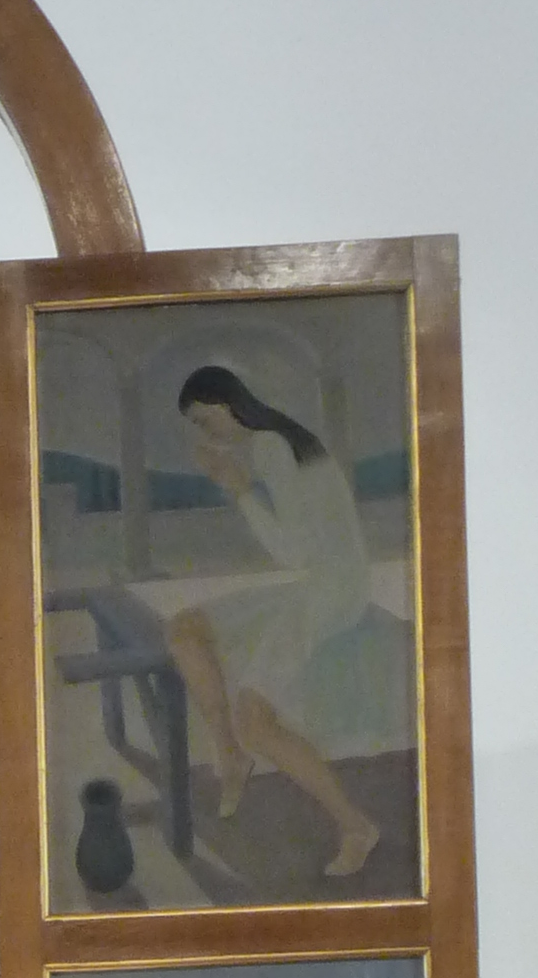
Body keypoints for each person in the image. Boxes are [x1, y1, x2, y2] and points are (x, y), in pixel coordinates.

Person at [161, 366, 383, 882]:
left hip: (329, 593)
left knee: (254, 720)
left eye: (204, 419)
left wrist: (239, 490)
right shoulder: (285, 439)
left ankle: (356, 827)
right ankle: (231, 759)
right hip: (324, 583)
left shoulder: (269, 447)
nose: (205, 431)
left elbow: (294, 552)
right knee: (184, 629)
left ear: (227, 402)